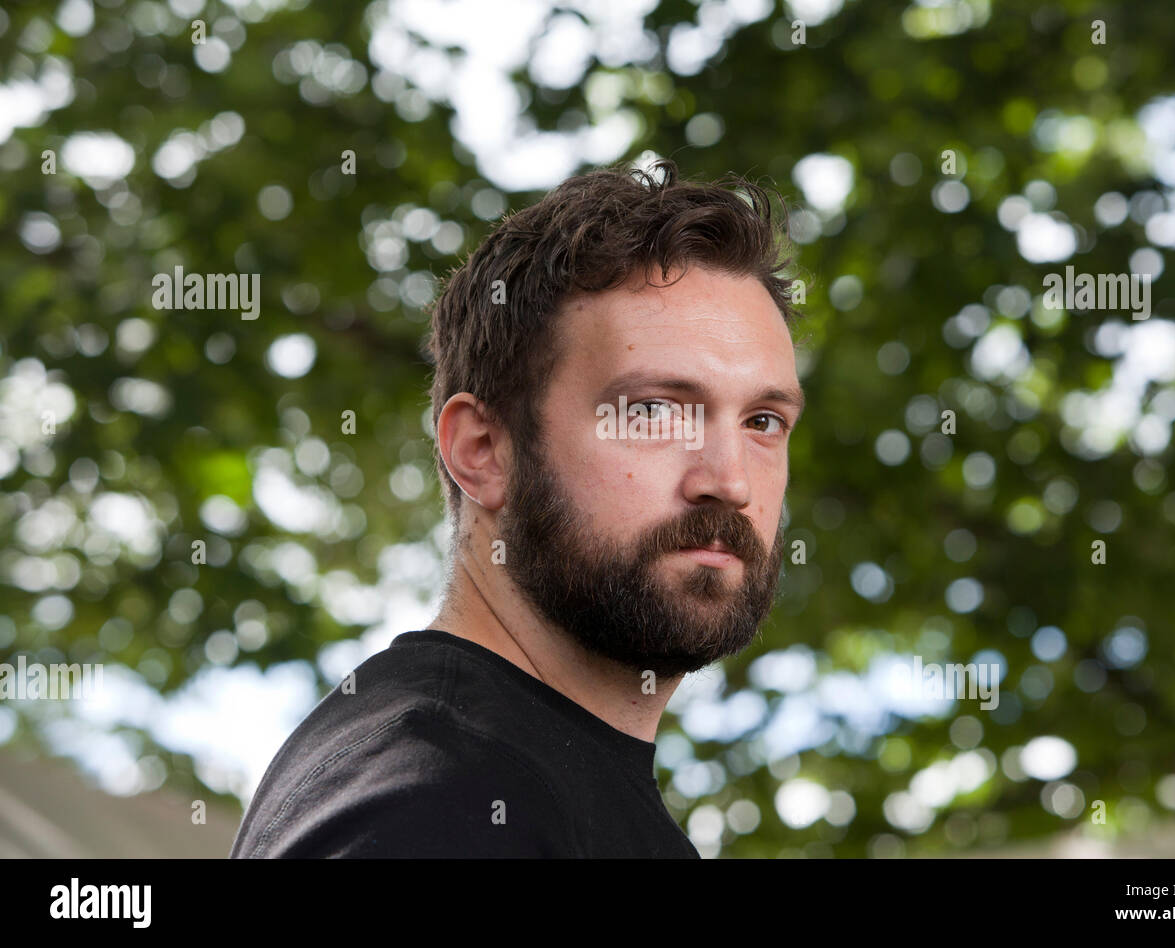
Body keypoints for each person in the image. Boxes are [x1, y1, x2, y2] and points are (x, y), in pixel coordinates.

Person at [230, 158, 807, 858]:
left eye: (762, 423)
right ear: (482, 449)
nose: (730, 481)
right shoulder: (441, 799)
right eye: (654, 410)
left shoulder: (516, 785)